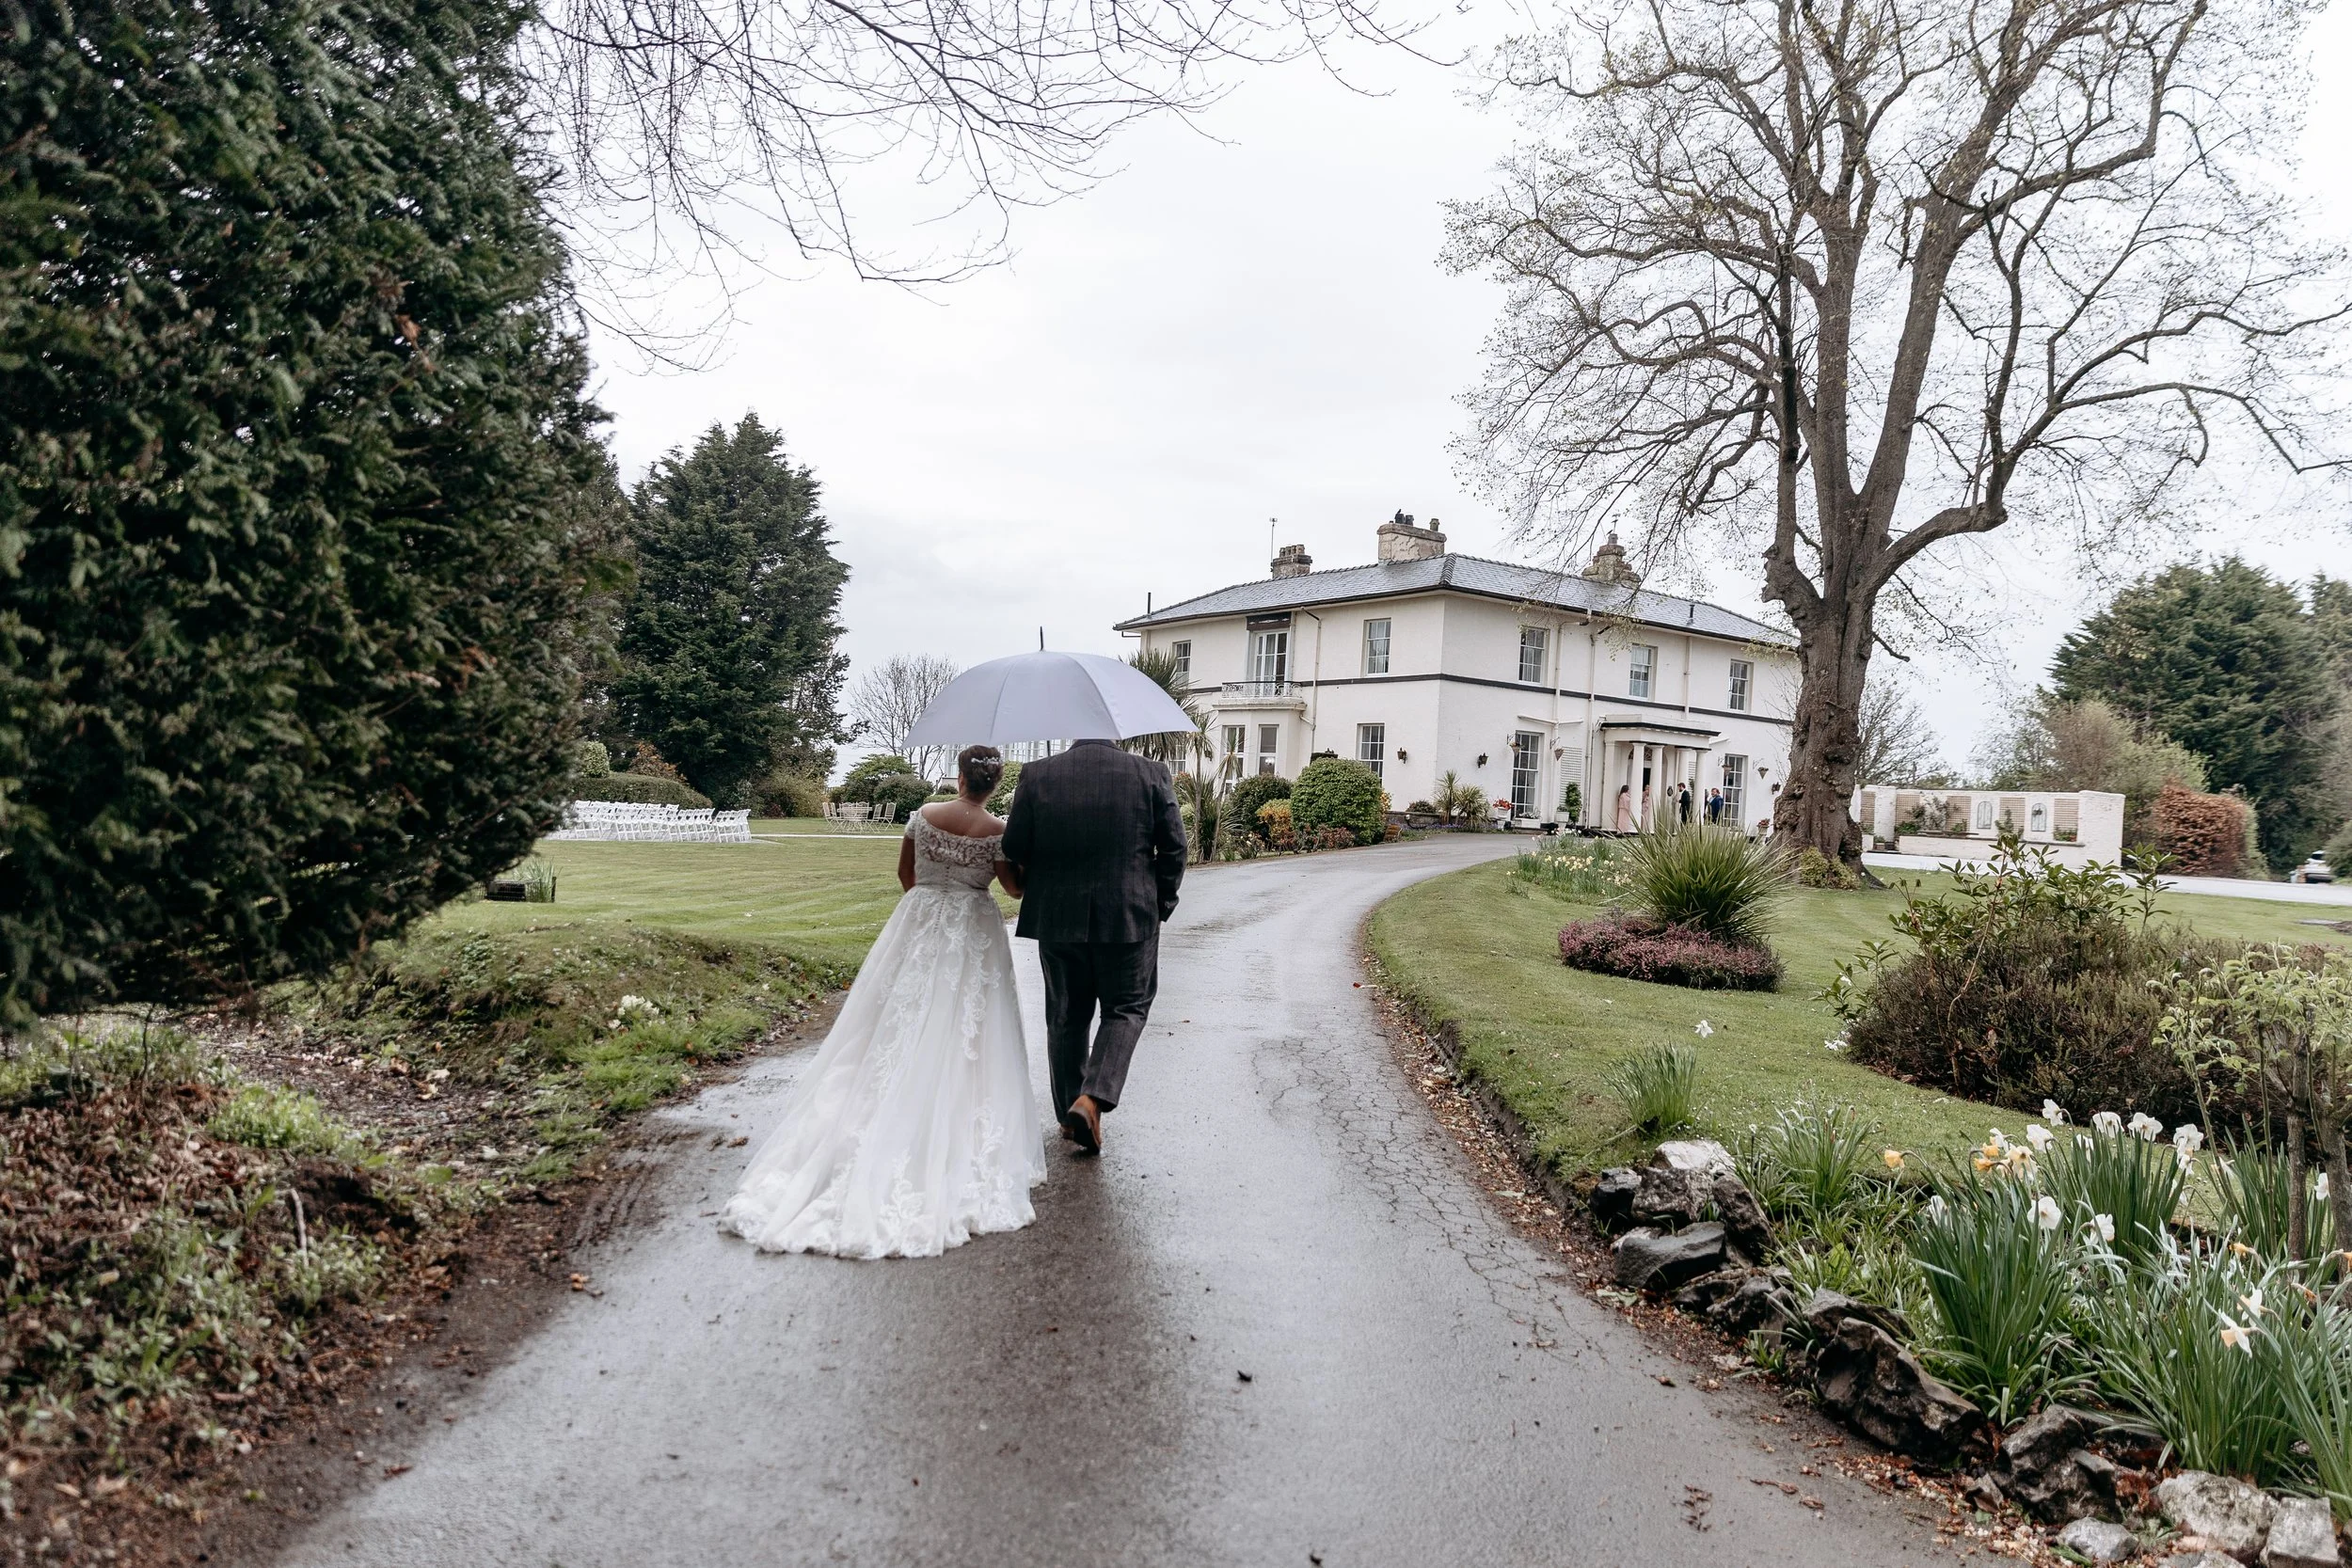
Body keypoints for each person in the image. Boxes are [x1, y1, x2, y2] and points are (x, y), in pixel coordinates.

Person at [720, 746, 1043, 1259]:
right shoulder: (998, 831)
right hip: (972, 927)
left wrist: (928, 901)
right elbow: (1014, 890)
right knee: (969, 1024)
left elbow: (905, 875)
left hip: (917, 921)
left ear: (959, 777)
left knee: (894, 1013)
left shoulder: (923, 816)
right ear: (993, 785)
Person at [1002, 737, 1186, 1155]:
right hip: (1130, 914)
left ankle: (1071, 1110)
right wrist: (1161, 902)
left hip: (1057, 916)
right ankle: (1092, 1099)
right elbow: (1174, 847)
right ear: (1115, 730)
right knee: (1127, 1008)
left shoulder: (1036, 775)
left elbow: (1014, 846)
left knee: (1066, 1015)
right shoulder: (1150, 773)